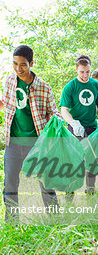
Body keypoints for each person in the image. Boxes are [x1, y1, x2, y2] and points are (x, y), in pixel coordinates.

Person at [0, 45, 60, 223]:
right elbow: (6, 102)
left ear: (31, 63)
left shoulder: (44, 87)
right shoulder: (9, 81)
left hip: (36, 144)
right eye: (15, 64)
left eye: (23, 64)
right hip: (13, 142)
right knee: (10, 183)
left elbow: (53, 112)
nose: (19, 68)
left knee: (46, 182)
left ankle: (55, 218)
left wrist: (57, 122)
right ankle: (12, 221)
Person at [60, 55, 98, 194]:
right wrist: (73, 123)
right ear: (76, 70)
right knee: (73, 161)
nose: (85, 75)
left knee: (91, 161)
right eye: (81, 72)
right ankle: (70, 192)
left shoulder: (95, 85)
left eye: (87, 71)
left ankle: (90, 190)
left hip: (92, 128)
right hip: (75, 129)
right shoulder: (70, 87)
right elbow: (64, 110)